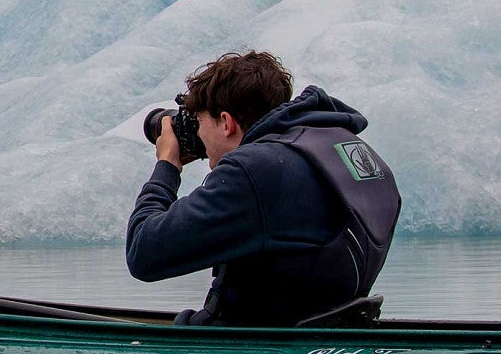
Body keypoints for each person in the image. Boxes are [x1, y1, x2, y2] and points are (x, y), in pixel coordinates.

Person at [127, 51, 401, 327]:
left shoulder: (254, 171)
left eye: (200, 124)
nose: (198, 135)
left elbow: (143, 252)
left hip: (252, 347)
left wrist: (167, 166)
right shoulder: (343, 151)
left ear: (226, 122)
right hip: (323, 332)